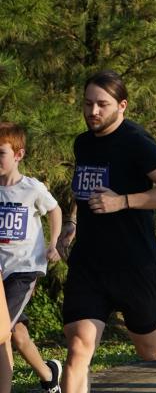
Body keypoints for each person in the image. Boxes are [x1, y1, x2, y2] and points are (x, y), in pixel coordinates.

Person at [56, 70, 156, 393]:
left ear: (122, 105)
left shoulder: (137, 142)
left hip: (134, 264)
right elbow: (84, 188)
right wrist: (71, 222)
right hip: (89, 263)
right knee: (79, 348)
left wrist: (122, 201)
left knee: (147, 349)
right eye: (87, 104)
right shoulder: (83, 143)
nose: (93, 112)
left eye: (102, 105)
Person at [0, 123, 62, 392]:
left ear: (18, 154)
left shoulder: (31, 188)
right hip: (0, 272)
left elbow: (55, 210)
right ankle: (50, 378)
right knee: (17, 335)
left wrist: (55, 242)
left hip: (24, 270)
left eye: (0, 152)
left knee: (1, 332)